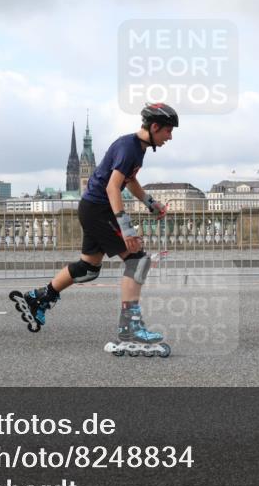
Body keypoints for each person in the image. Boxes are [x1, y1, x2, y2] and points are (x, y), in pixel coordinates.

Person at [10, 103, 178, 357]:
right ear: (154, 127)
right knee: (138, 260)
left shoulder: (137, 148)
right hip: (99, 209)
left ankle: (38, 298)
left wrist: (150, 203)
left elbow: (129, 181)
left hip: (93, 207)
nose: (170, 137)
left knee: (88, 268)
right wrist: (127, 229)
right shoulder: (128, 147)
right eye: (168, 131)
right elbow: (113, 188)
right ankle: (129, 328)